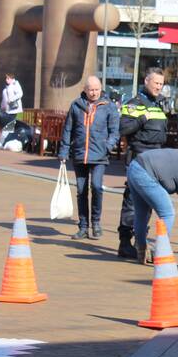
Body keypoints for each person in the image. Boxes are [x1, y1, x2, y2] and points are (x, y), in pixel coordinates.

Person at [58, 76, 119, 241]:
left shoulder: (109, 107)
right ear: (85, 89)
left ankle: (96, 223)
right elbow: (68, 129)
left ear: (101, 88)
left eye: (97, 89)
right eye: (91, 89)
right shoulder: (76, 105)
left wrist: (108, 146)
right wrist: (63, 151)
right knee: (81, 190)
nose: (94, 93)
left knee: (97, 187)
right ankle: (83, 226)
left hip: (99, 155)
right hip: (79, 154)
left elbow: (114, 131)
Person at [116, 68, 169, 259]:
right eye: (156, 83)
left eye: (161, 84)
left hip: (156, 157)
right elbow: (123, 128)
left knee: (149, 200)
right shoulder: (134, 104)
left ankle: (141, 240)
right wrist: (142, 119)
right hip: (139, 155)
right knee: (132, 199)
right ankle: (125, 242)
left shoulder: (159, 103)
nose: (159, 87)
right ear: (146, 81)